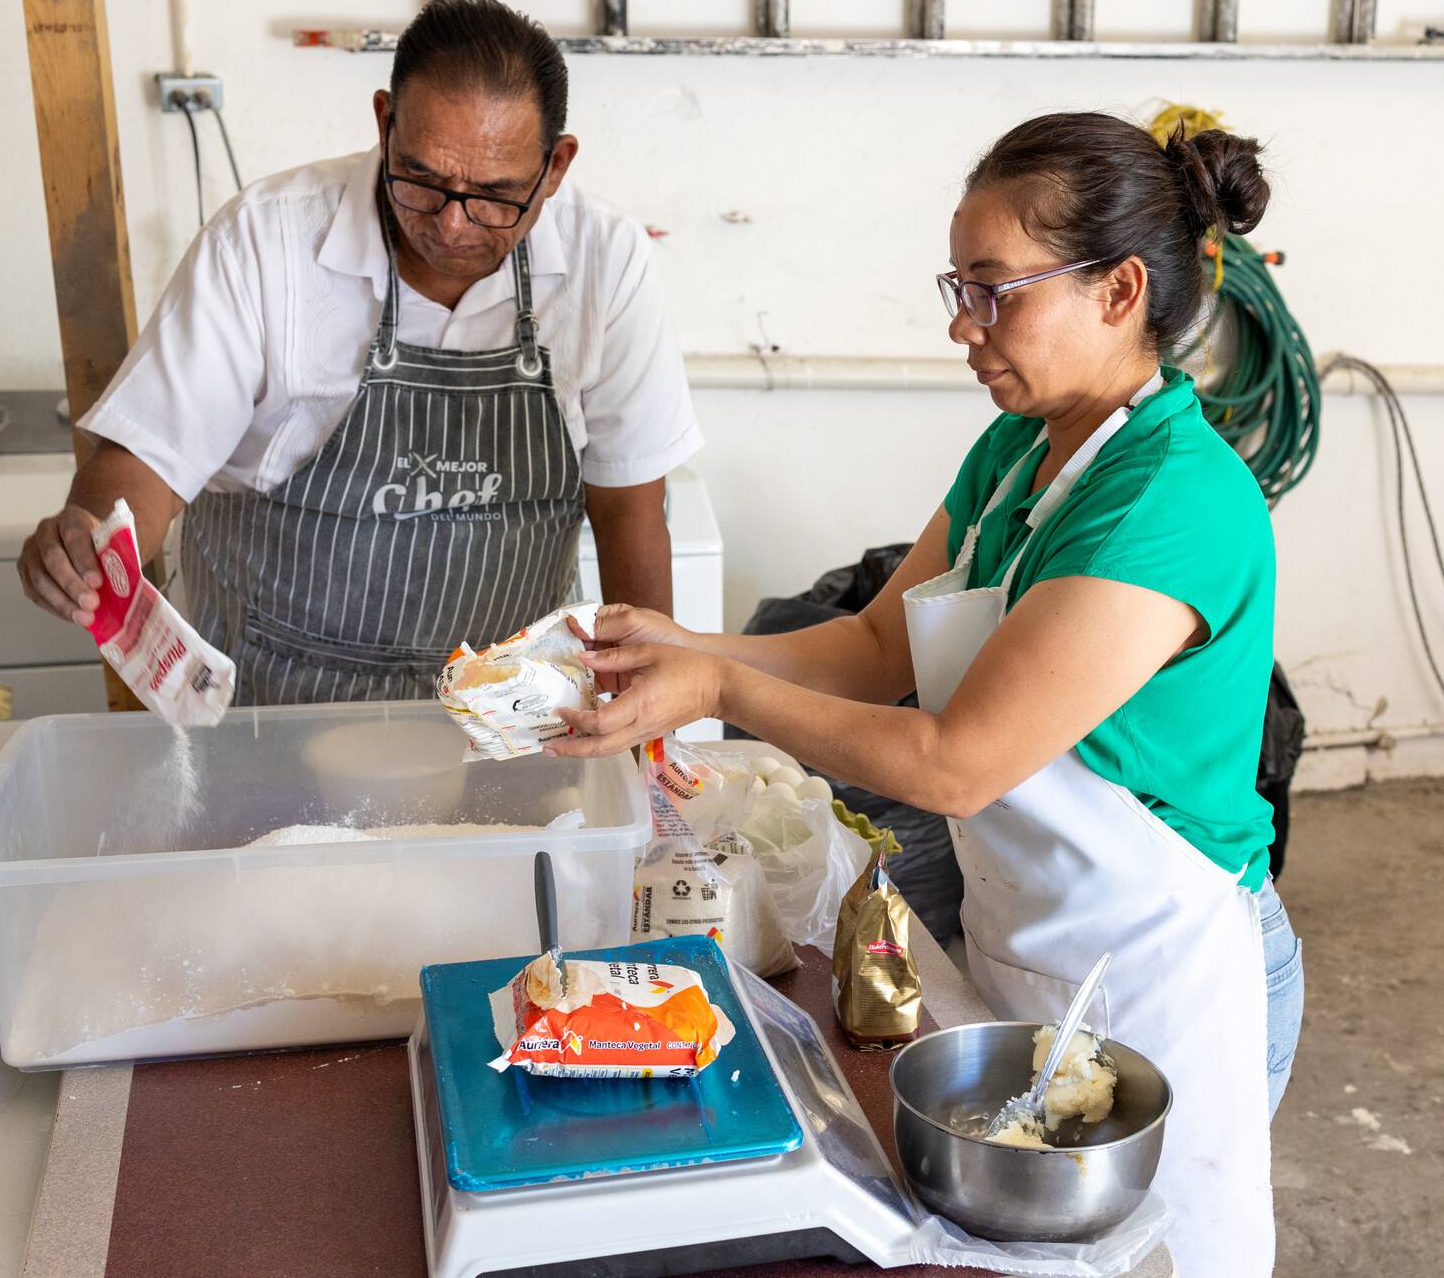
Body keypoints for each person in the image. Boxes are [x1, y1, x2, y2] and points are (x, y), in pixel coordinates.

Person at [548, 112, 1300, 1276]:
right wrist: (678, 646)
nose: (963, 325)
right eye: (959, 285)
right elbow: (868, 647)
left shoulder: (1177, 503)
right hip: (1028, 952)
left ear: (1118, 291)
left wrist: (720, 683)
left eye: (997, 291)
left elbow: (955, 761)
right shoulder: (1018, 453)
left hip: (1165, 982)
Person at [16, 0, 702, 703]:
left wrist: (648, 720)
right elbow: (146, 457)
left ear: (555, 168)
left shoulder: (606, 262)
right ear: (384, 123)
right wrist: (90, 537)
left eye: (497, 196)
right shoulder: (266, 243)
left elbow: (628, 509)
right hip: (268, 720)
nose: (454, 225)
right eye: (423, 180)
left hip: (505, 728)